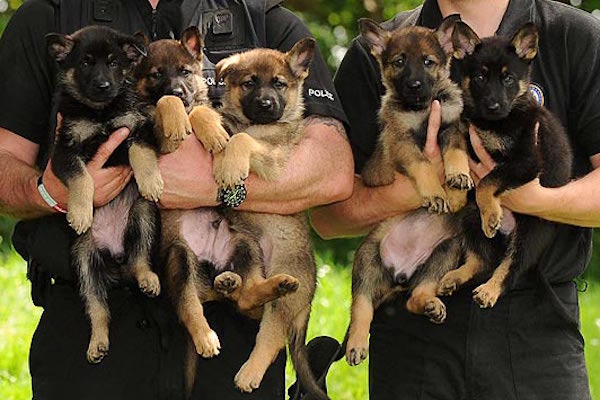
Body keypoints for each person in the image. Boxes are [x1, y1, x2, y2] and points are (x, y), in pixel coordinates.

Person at [0, 1, 353, 399]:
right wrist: (48, 192)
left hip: (230, 321)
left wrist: (217, 189)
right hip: (90, 311)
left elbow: (334, 171)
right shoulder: (49, 15)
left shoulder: (264, 21)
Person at [310, 0, 600, 399]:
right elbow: (327, 218)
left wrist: (533, 200)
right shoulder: (379, 50)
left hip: (536, 326)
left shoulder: (574, 35)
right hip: (412, 336)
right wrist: (411, 191)